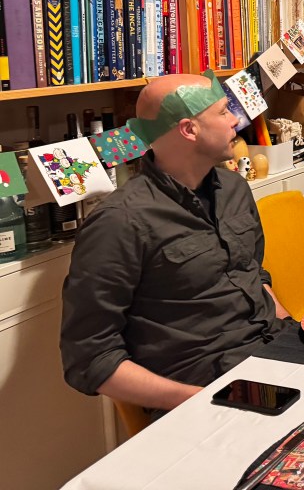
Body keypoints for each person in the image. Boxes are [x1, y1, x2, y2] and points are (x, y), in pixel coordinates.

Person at [61, 72, 290, 412]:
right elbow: (89, 358)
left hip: (279, 353)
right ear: (189, 129)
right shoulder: (120, 222)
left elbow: (253, 274)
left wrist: (293, 330)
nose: (235, 119)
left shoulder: (234, 189)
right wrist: (198, 401)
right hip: (207, 389)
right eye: (223, 111)